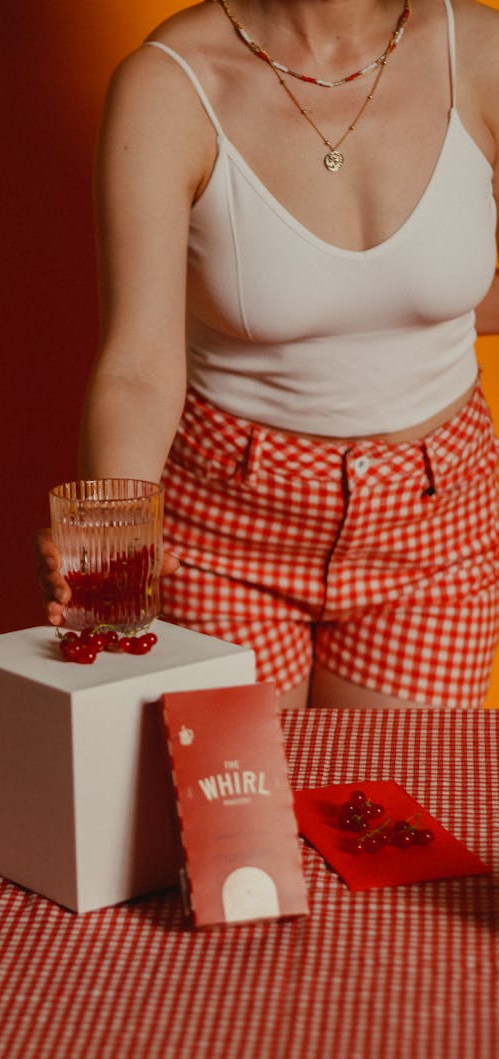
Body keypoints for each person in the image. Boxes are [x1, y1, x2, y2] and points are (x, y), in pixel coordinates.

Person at [36, 0, 499, 709]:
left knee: (389, 808)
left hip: (439, 521)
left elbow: (471, 292)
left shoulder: (482, 52)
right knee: (231, 812)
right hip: (224, 528)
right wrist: (113, 540)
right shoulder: (170, 85)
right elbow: (137, 364)